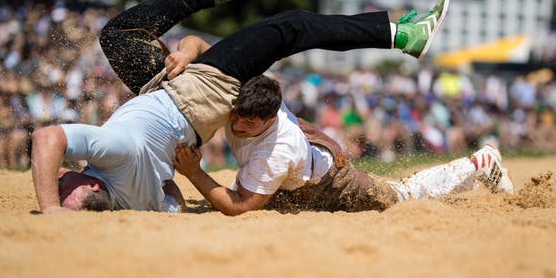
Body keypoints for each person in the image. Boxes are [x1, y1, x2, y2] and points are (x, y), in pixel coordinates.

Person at [31, 0, 449, 214]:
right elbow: (46, 137)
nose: (66, 175)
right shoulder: (113, 152)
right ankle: (401, 35)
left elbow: (170, 195)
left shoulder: (131, 200)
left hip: (170, 96)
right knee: (292, 27)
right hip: (190, 96)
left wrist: (190, 47)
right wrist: (50, 208)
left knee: (119, 36)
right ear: (90, 188)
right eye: (69, 182)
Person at [173, 75, 514, 216]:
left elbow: (241, 207)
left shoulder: (276, 151)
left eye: (249, 124)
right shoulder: (247, 97)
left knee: (401, 196)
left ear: (269, 118)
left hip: (333, 183)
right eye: (237, 117)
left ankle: (480, 163)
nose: (236, 126)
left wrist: (193, 172)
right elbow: (211, 56)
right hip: (309, 156)